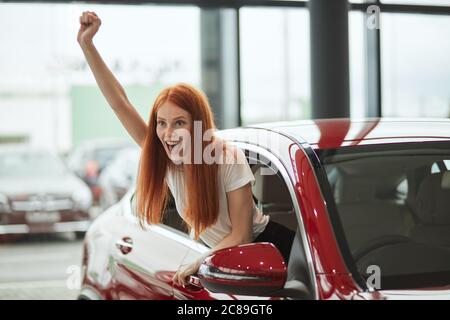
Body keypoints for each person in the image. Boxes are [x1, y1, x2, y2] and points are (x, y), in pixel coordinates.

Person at [77, 11, 295, 287]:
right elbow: (120, 103)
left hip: (275, 251)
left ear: (197, 125)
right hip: (233, 260)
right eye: (162, 123)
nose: (168, 134)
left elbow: (242, 236)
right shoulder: (166, 161)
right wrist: (87, 45)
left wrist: (199, 261)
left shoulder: (226, 158)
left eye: (179, 123)